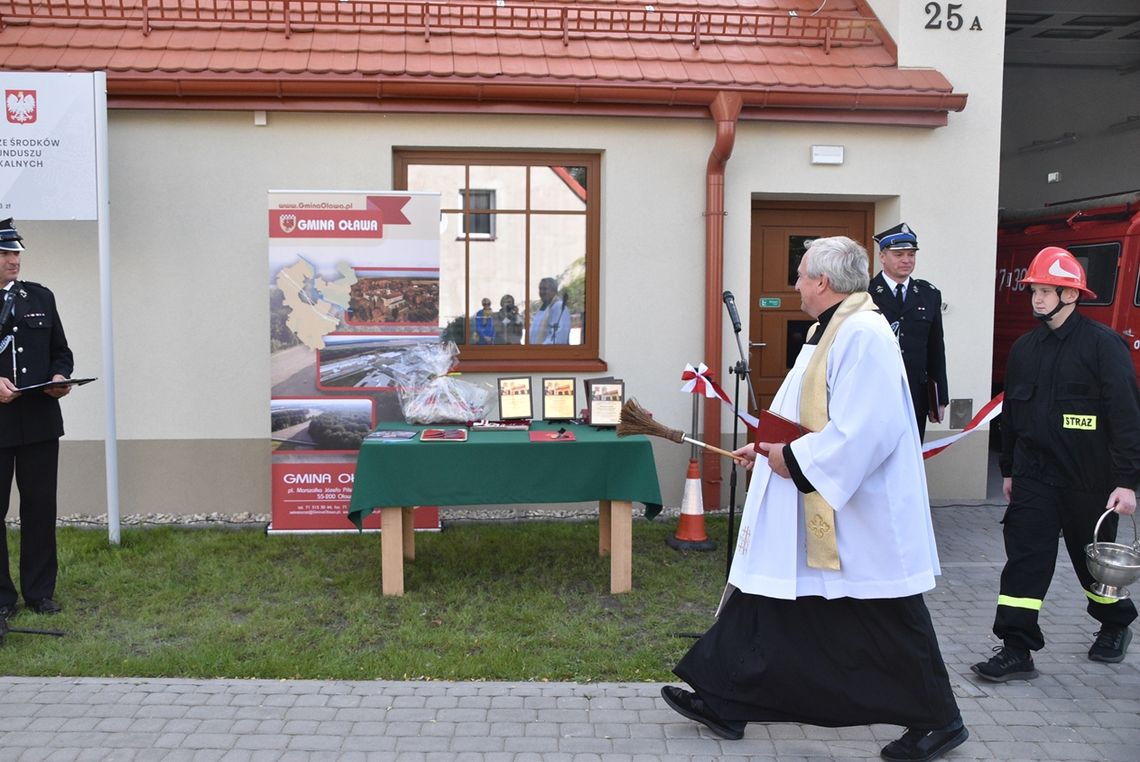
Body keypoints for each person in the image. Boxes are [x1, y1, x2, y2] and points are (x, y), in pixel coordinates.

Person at [662, 236, 968, 762]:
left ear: (822, 282)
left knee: (891, 614)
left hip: (862, 511)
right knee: (770, 596)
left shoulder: (864, 333)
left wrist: (796, 461)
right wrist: (769, 449)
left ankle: (941, 720)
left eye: (801, 275)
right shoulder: (831, 329)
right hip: (821, 497)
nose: (796, 285)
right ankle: (723, 700)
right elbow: (809, 414)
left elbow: (866, 430)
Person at [971, 246, 1139, 682]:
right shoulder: (1025, 348)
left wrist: (1126, 482)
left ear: (1072, 295)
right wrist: (1008, 470)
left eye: (1047, 291)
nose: (1037, 299)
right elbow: (1015, 415)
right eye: (1035, 291)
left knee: (1090, 563)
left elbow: (1125, 417)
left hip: (1090, 481)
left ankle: (1115, 622)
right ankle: (1016, 649)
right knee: (1025, 561)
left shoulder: (1104, 347)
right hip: (1034, 478)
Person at [0, 219, 74, 620]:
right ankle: (1, 599)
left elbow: (61, 352)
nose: (15, 260)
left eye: (17, 253)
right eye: (7, 253)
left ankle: (39, 592)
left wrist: (61, 378)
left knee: (40, 507)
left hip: (41, 421)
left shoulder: (40, 298)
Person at [868, 223, 948, 439]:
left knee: (911, 458)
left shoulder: (928, 294)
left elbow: (935, 348)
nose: (906, 260)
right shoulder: (865, 294)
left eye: (911, 254)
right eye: (899, 254)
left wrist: (939, 397)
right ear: (882, 256)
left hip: (915, 393)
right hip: (874, 393)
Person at [528, 277, 570, 344]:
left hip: (548, 353)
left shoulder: (559, 307)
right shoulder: (542, 307)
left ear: (554, 291)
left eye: (545, 289)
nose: (541, 292)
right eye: (540, 289)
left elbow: (558, 338)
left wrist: (540, 351)